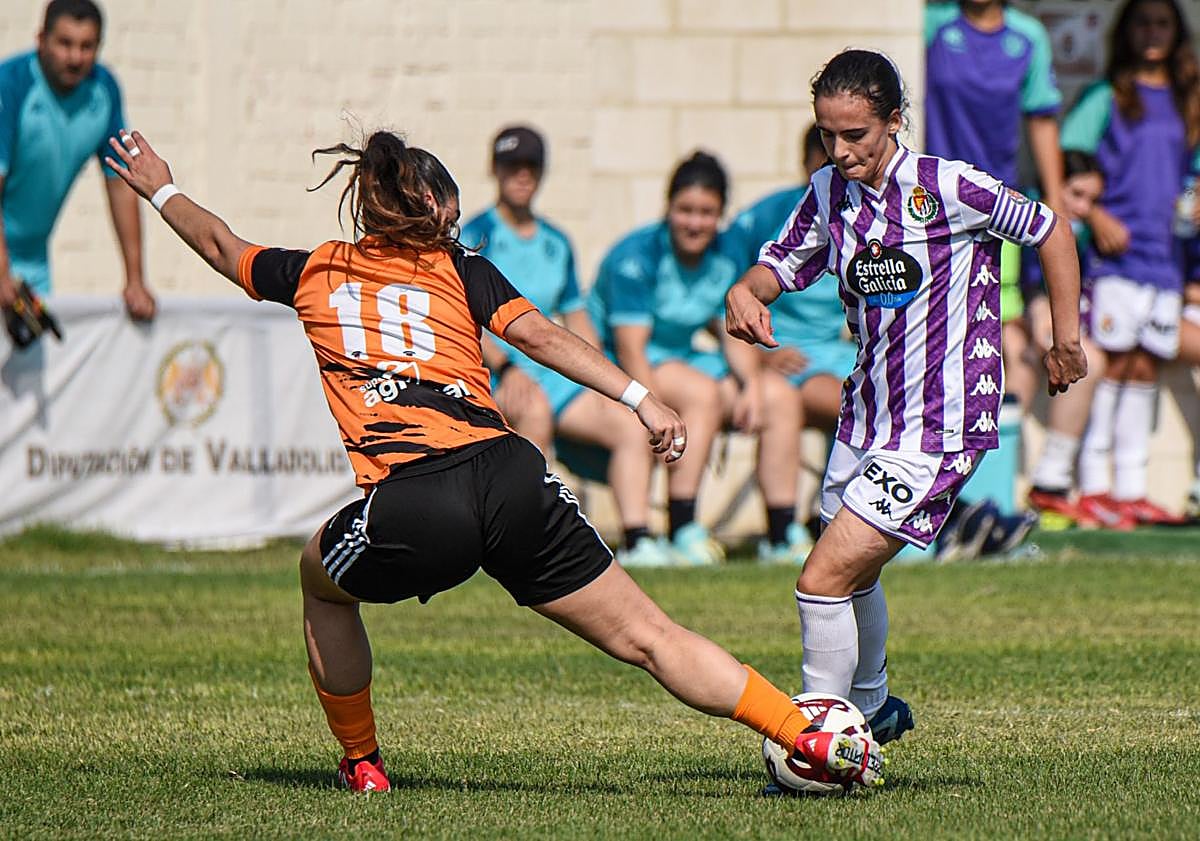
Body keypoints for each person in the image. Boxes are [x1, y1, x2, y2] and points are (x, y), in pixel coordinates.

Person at [103, 128, 883, 794]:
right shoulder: (460, 267)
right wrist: (641, 397)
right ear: (436, 210)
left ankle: (362, 761)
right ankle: (807, 733)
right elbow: (540, 336)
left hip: (415, 498)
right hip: (509, 474)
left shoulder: (313, 271)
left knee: (320, 581)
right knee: (652, 636)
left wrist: (163, 190)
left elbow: (220, 245)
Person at [726, 50, 1085, 767]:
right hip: (867, 415)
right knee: (850, 570)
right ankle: (871, 705)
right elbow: (784, 261)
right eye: (829, 134)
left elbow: (1048, 229)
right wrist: (748, 290)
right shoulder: (829, 191)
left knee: (822, 577)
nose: (841, 149)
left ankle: (821, 746)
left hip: (941, 421)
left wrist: (1065, 338)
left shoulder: (948, 186)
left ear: (895, 120)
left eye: (856, 133)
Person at [461, 126, 669, 567]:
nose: (522, 175)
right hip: (496, 374)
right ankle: (523, 544)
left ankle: (638, 540)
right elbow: (464, 316)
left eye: (531, 166)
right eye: (511, 166)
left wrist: (605, 382)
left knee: (628, 424)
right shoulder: (476, 233)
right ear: (494, 170)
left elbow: (576, 318)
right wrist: (506, 368)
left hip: (549, 374)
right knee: (532, 412)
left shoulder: (556, 241)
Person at [589, 152, 806, 566]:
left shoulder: (726, 255)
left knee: (781, 397)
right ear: (668, 208)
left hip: (682, 357)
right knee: (702, 392)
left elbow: (730, 331)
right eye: (685, 210)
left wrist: (752, 386)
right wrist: (649, 408)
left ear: (721, 214)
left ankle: (781, 536)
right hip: (624, 364)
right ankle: (682, 528)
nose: (695, 222)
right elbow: (631, 347)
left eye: (707, 213)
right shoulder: (635, 257)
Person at [1062, 0, 1199, 527]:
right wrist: (1095, 214)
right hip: (1118, 257)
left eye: (1162, 22)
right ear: (1127, 31)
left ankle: (1132, 486)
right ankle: (1095, 486)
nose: (1152, 32)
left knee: (1146, 364)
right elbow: (1071, 160)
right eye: (1143, 22)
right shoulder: (1108, 96)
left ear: (1176, 31)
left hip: (1165, 259)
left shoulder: (1189, 98)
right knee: (1114, 362)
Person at [725, 126, 860, 559]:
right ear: (806, 164)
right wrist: (760, 357)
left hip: (840, 353)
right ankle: (807, 531)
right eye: (822, 159)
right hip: (788, 359)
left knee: (898, 397)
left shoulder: (864, 215)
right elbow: (729, 297)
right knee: (857, 405)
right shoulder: (769, 216)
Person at [925, 0, 1063, 410]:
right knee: (940, 327)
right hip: (934, 204)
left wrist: (1054, 198)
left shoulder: (1028, 36)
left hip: (1000, 208)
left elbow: (1041, 118)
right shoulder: (932, 23)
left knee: (1007, 330)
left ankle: (1001, 438)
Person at [0, 0, 155, 322]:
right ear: (41, 39)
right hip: (2, 260)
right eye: (65, 43)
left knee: (35, 372)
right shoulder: (10, 85)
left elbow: (122, 184)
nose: (75, 57)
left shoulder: (103, 90)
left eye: (87, 46)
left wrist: (135, 280)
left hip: (32, 264)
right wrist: (1, 271)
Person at [1025, 151, 1112, 526]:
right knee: (1084, 362)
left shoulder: (1086, 233)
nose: (1083, 208)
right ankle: (1050, 480)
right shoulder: (1029, 217)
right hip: (1021, 312)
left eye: (1092, 201)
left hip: (1055, 315)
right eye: (1075, 194)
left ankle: (1079, 485)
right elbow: (1030, 291)